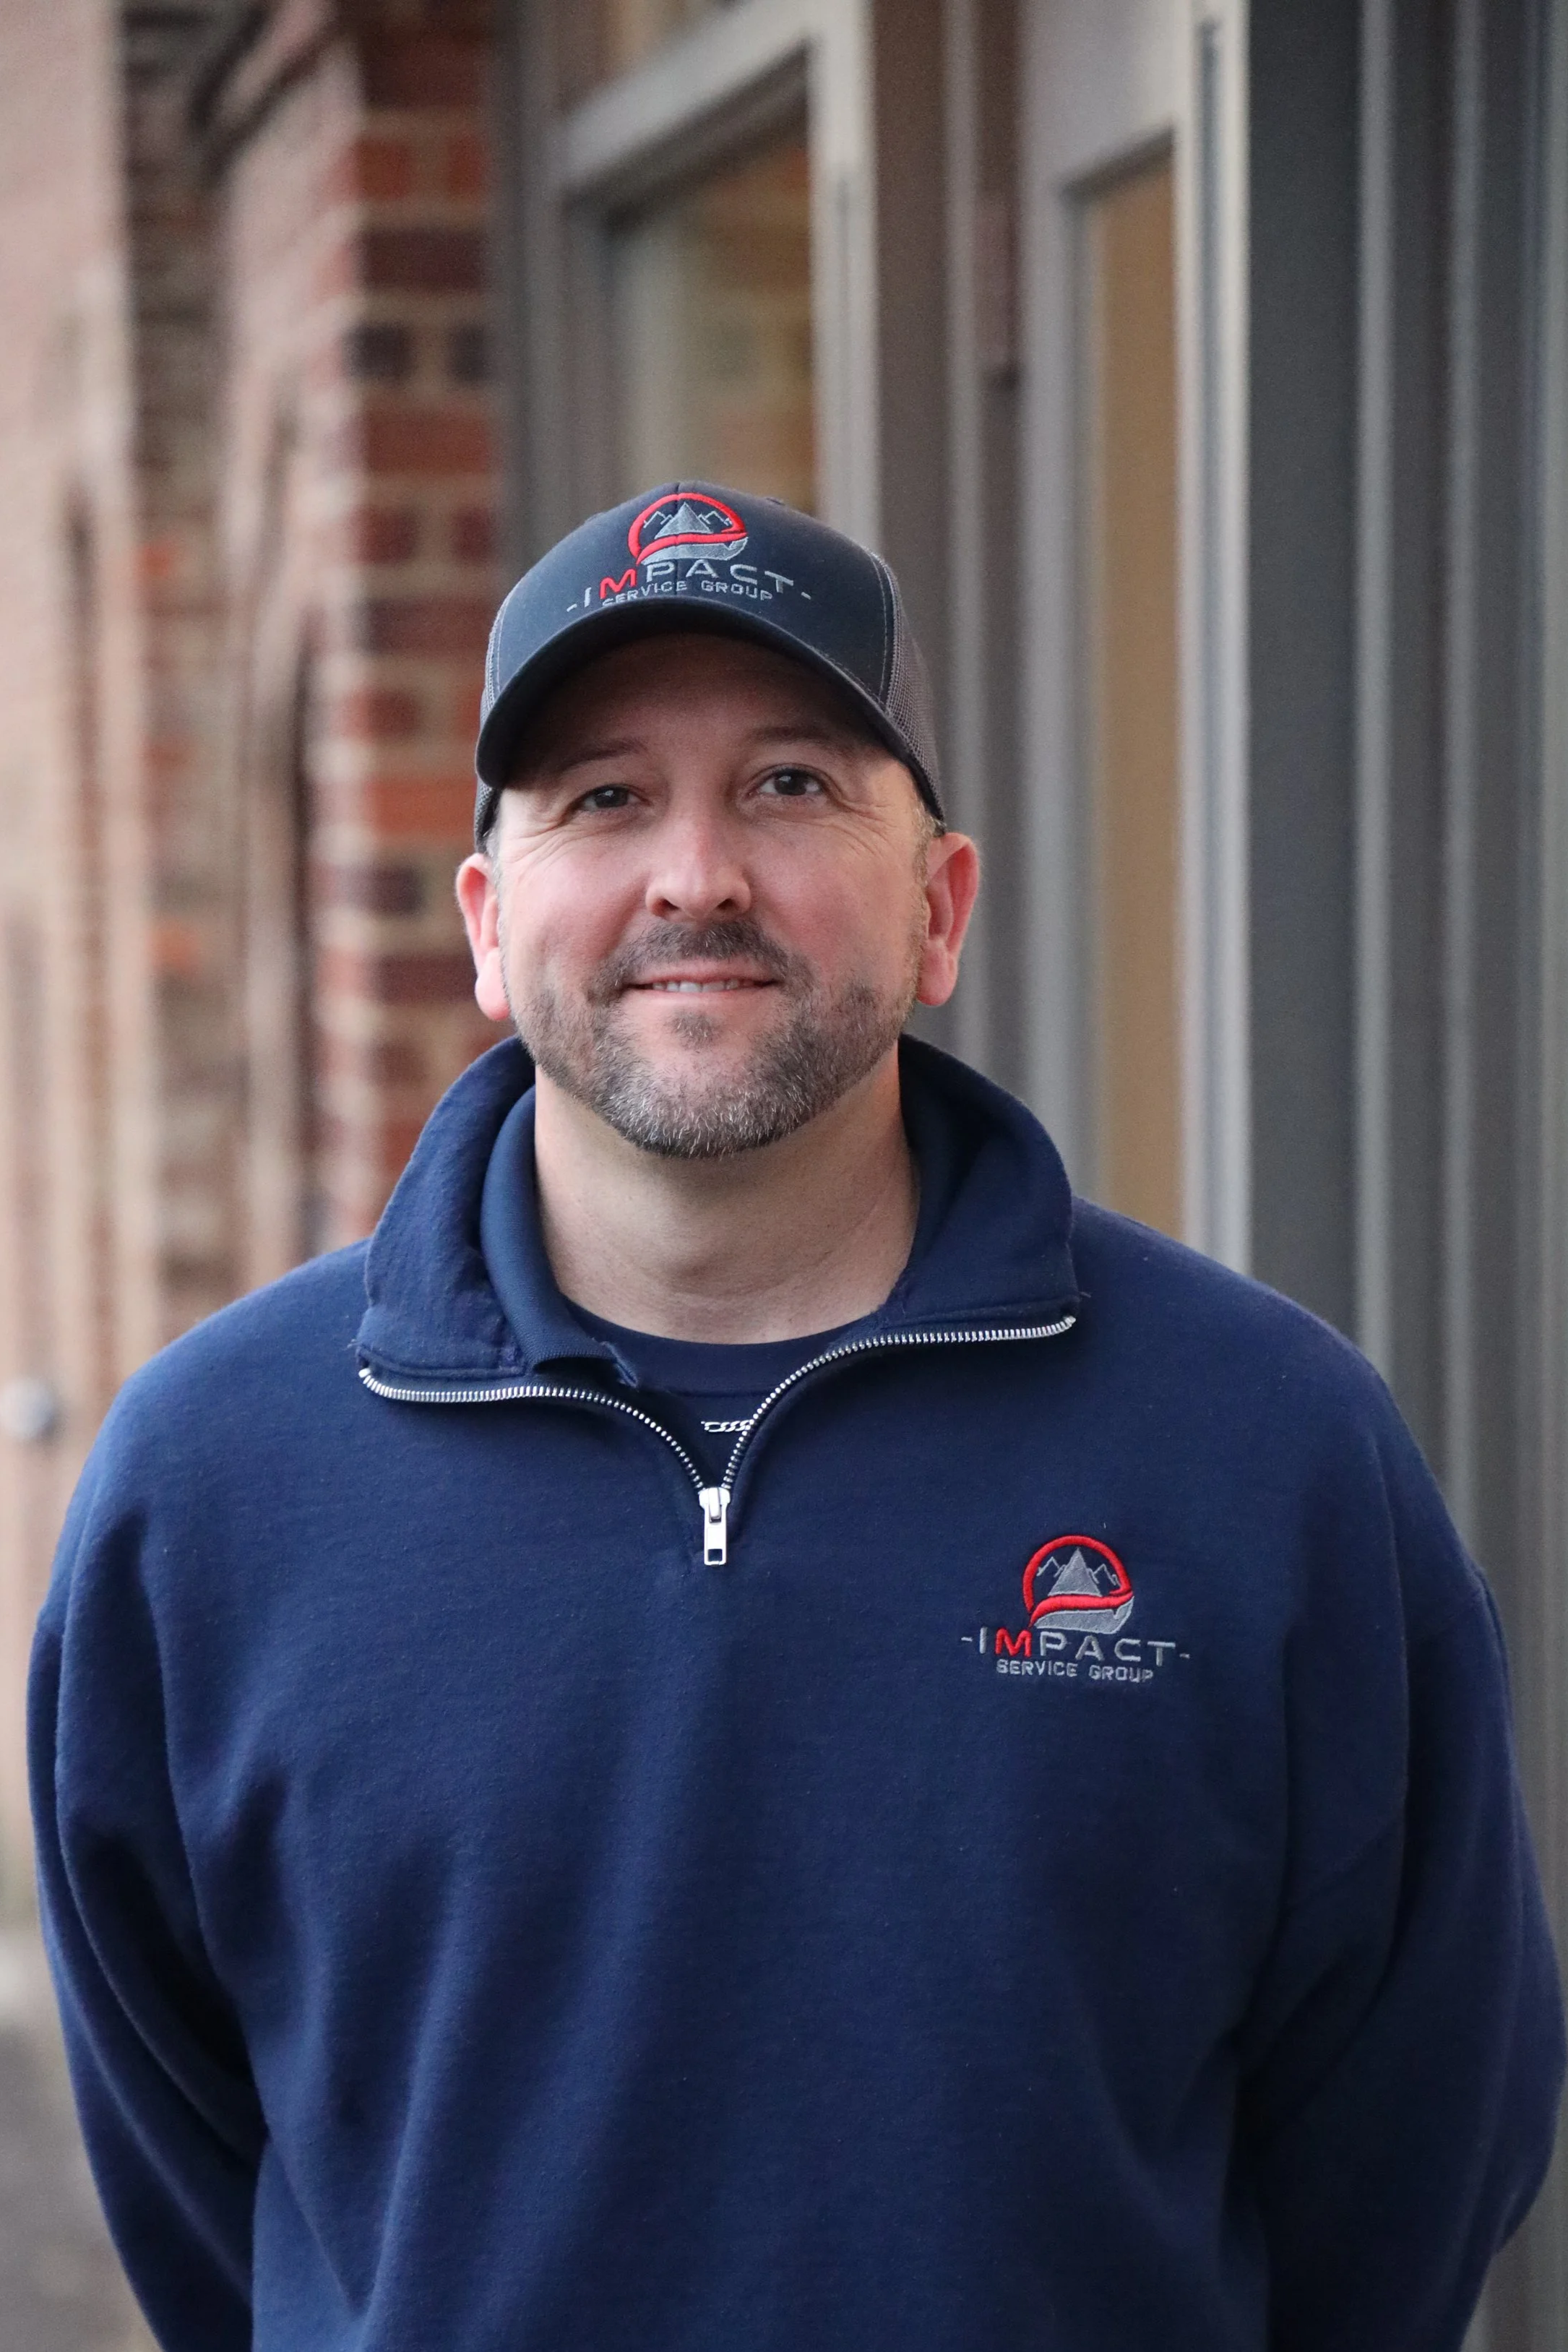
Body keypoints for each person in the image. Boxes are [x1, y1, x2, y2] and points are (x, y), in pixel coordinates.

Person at [30, 482, 1564, 2352]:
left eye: (789, 785)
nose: (696, 876)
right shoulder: (216, 1488)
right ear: (491, 925)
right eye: (605, 795)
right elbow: (210, 2185)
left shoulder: (1265, 1452)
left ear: (939, 906)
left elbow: (1406, 2163)